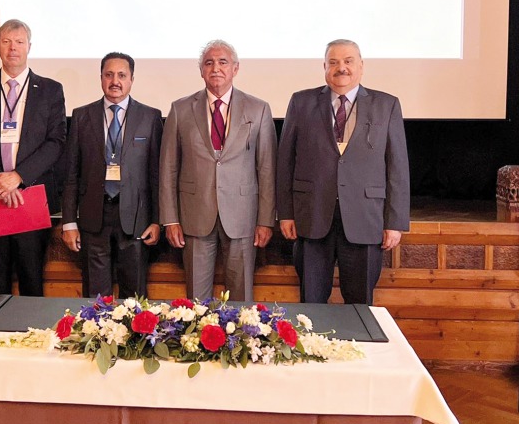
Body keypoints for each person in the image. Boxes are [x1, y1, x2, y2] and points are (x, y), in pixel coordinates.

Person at [276, 39, 409, 305]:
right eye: (333, 62)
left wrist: (395, 221)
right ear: (324, 67)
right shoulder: (301, 102)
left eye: (348, 61)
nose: (341, 68)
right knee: (311, 302)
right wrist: (286, 213)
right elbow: (285, 161)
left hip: (365, 218)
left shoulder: (387, 105)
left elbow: (397, 166)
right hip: (311, 218)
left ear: (361, 66)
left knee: (361, 303)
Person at [0, 19, 66, 302]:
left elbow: (56, 142)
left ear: (29, 46)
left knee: (32, 277)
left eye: (19, 42)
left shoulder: (51, 90)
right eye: (6, 41)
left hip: (30, 194)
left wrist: (18, 177)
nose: (13, 48)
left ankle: (33, 341)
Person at [159, 39, 276, 301]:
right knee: (196, 302)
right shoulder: (180, 109)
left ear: (235, 68)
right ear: (201, 71)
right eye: (209, 63)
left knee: (241, 300)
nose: (216, 68)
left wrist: (265, 220)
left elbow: (266, 169)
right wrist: (170, 218)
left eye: (223, 62)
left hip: (243, 217)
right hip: (194, 216)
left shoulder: (259, 109)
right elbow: (168, 168)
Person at [61, 53, 162, 298]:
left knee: (134, 297)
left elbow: (156, 175)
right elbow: (71, 174)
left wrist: (157, 220)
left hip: (136, 219)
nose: (114, 81)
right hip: (94, 217)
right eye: (109, 75)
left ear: (131, 79)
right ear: (101, 78)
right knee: (96, 298)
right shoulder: (82, 116)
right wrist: (68, 222)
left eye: (121, 75)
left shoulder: (150, 117)